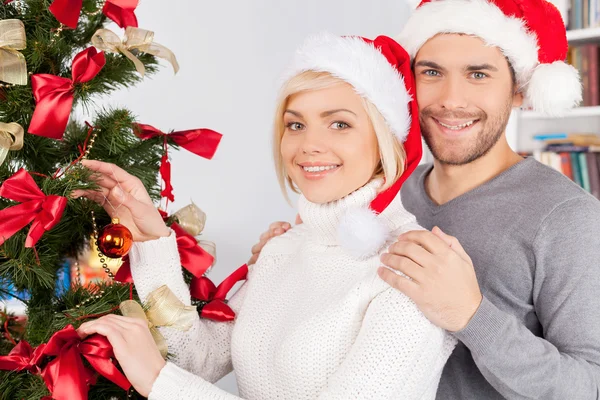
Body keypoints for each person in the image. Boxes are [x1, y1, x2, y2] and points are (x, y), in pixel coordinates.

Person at [72, 33, 457, 399]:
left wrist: (159, 380)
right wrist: (151, 240)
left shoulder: (412, 271)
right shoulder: (283, 249)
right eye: (296, 124)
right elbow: (197, 361)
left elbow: (172, 380)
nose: (309, 145)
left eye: (340, 123)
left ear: (385, 139)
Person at [254, 0, 600, 399]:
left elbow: (589, 386)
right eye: (431, 72)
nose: (451, 99)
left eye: (478, 74)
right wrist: (287, 264)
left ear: (519, 89)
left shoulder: (568, 218)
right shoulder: (379, 193)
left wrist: (470, 315)